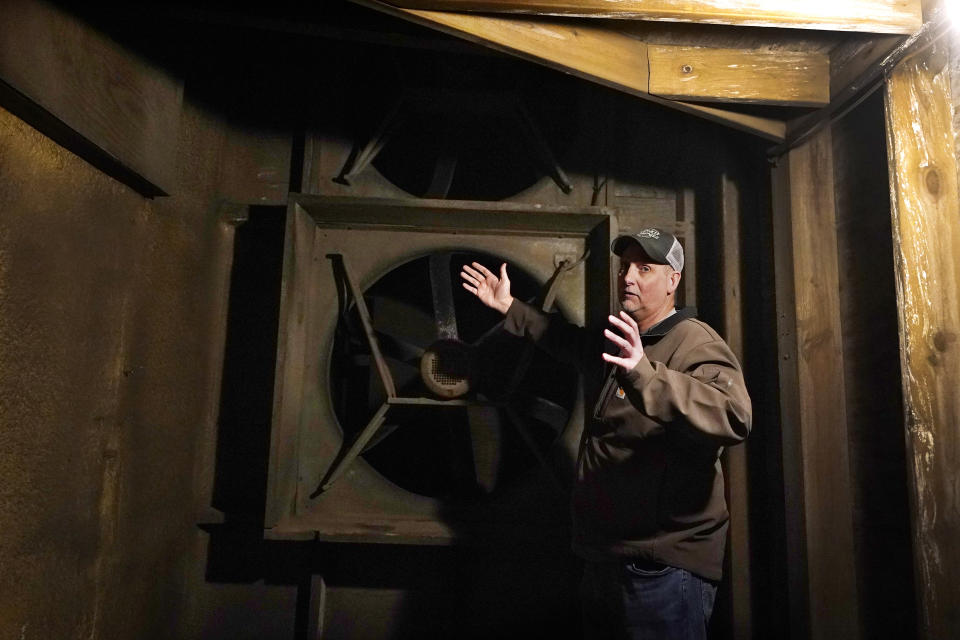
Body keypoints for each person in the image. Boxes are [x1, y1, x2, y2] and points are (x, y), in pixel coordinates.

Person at [460, 228, 751, 640]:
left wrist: (645, 376)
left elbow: (734, 415)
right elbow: (565, 341)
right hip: (606, 559)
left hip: (661, 568)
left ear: (673, 281)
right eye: (625, 266)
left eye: (645, 268)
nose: (628, 277)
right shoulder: (624, 335)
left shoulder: (693, 342)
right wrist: (509, 306)